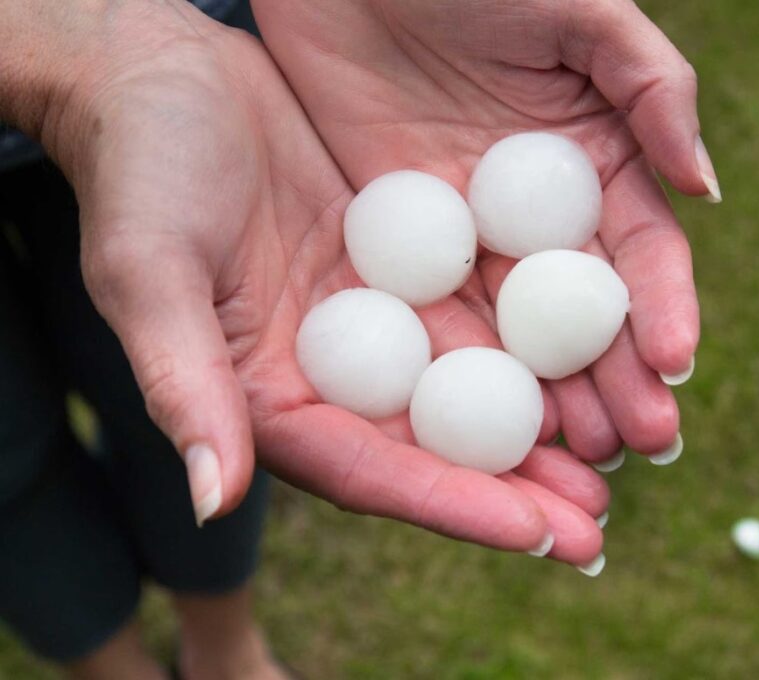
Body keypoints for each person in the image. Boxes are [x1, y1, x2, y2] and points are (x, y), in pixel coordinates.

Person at [0, 0, 717, 677]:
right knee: (11, 455)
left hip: (191, 31)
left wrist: (100, 42)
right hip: (142, 71)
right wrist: (78, 57)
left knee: (187, 421)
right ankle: (107, 663)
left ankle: (224, 648)